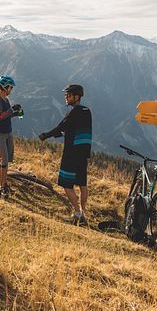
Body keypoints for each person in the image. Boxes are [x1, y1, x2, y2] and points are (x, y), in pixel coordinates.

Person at [38, 84, 92, 224]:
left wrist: (46, 135)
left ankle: (77, 213)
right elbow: (71, 129)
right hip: (83, 154)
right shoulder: (87, 111)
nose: (66, 97)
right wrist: (62, 134)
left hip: (71, 154)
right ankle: (83, 214)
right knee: (82, 184)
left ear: (77, 97)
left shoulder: (73, 112)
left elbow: (60, 127)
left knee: (66, 183)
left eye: (68, 95)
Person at [0, 75, 23, 198]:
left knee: (6, 161)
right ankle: (1, 187)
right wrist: (12, 110)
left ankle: (4, 184)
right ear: (5, 87)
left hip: (8, 133)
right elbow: (0, 116)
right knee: (3, 161)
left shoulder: (6, 100)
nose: (11, 90)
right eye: (10, 87)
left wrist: (16, 113)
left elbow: (7, 115)